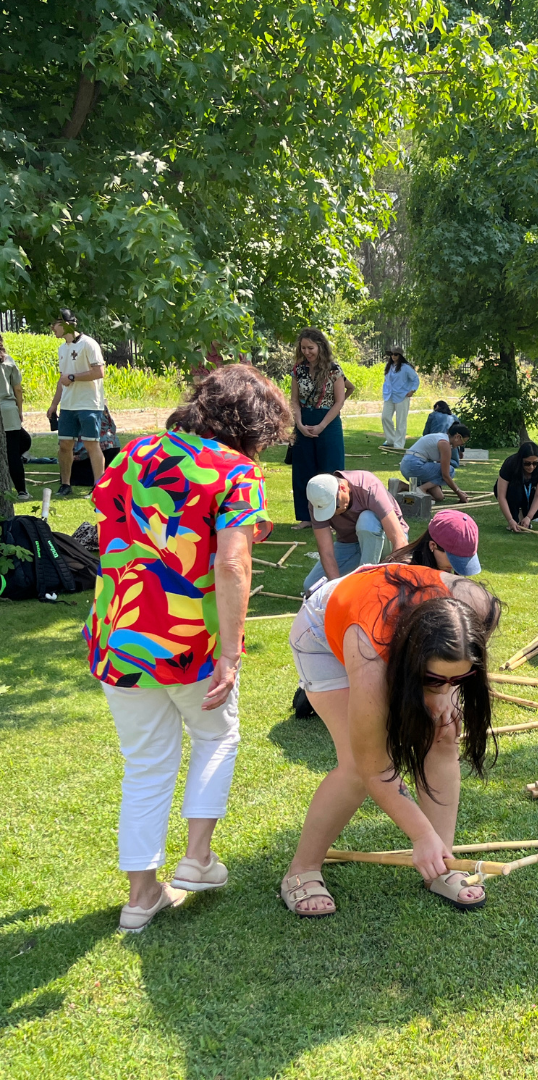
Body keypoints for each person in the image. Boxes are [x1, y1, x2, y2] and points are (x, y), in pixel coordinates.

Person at [84, 365, 291, 932]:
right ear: (252, 426)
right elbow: (232, 563)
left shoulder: (133, 453)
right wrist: (230, 653)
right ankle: (197, 858)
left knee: (145, 765)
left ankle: (141, 896)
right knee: (216, 737)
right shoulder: (237, 471)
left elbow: (111, 530)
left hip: (120, 637)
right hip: (188, 642)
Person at [282, 564, 500, 915]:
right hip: (324, 630)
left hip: (386, 612)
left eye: (460, 678)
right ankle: (302, 868)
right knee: (354, 768)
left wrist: (445, 691)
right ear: (413, 661)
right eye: (433, 679)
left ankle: (440, 863)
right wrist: (419, 835)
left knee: (444, 731)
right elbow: (375, 767)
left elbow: (457, 661)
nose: (446, 687)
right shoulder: (370, 655)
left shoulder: (476, 606)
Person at [303, 471, 410, 593]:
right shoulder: (317, 502)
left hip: (386, 542)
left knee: (367, 519)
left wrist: (394, 578)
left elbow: (399, 540)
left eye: (334, 507)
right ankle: (364, 578)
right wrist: (335, 588)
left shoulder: (368, 486)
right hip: (351, 544)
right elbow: (326, 552)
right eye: (327, 511)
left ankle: (365, 582)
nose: (333, 513)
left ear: (343, 488)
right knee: (312, 586)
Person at [45, 308, 106, 497]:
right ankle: (65, 484)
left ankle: (99, 487)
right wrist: (54, 404)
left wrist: (73, 377)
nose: (52, 328)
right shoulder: (62, 349)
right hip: (68, 405)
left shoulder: (89, 344)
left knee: (91, 444)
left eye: (54, 324)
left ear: (66, 324)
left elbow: (99, 372)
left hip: (89, 403)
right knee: (65, 444)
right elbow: (62, 379)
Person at [289, 329, 346, 529]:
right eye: (303, 348)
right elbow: (294, 400)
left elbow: (339, 401)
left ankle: (333, 517)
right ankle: (306, 517)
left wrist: (322, 425)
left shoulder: (334, 370)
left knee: (330, 470)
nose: (307, 352)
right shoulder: (298, 370)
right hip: (304, 421)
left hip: (328, 423)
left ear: (320, 346)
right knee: (303, 470)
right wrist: (299, 424)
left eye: (310, 348)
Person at [386, 509, 482, 577]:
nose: (455, 567)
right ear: (432, 545)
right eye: (453, 558)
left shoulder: (441, 566)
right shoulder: (404, 572)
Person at [495, 442, 538, 531]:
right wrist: (510, 520)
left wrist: (529, 517)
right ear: (520, 460)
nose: (531, 467)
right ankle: (515, 518)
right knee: (516, 491)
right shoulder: (510, 464)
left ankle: (523, 517)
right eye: (527, 463)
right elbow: (501, 496)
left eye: (535, 463)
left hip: (527, 493)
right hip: (510, 492)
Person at [400, 423, 470, 504]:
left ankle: (402, 486)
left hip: (407, 466)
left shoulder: (441, 437)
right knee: (451, 470)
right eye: (463, 442)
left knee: (438, 496)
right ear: (457, 437)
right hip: (414, 466)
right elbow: (446, 475)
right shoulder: (445, 443)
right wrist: (459, 493)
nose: (461, 445)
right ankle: (421, 489)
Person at [0, 334, 30, 499]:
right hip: (8, 408)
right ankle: (21, 491)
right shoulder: (8, 361)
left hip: (6, 408)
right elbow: (17, 388)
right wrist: (19, 409)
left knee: (23, 440)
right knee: (13, 452)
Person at [70, 406, 121, 487]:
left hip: (94, 452)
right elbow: (113, 427)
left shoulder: (74, 410)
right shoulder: (101, 406)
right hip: (113, 447)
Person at [381, 345, 419, 449]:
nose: (393, 356)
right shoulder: (389, 366)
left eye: (396, 354)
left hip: (402, 396)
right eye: (391, 354)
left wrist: (412, 390)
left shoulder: (406, 368)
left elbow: (415, 379)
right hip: (389, 395)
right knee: (385, 417)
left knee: (401, 421)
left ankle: (399, 444)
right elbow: (387, 379)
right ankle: (390, 439)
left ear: (400, 356)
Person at [422, 400, 462, 466]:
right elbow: (461, 434)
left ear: (437, 407)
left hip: (434, 442)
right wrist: (461, 450)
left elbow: (425, 433)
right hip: (450, 443)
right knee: (455, 462)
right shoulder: (454, 417)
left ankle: (438, 461)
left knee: (430, 459)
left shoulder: (433, 415)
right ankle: (446, 462)